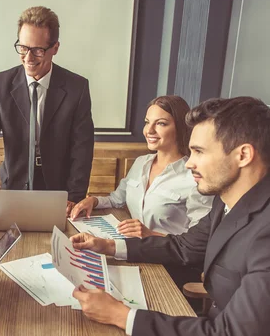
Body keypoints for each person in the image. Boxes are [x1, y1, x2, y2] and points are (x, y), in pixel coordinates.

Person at [70, 97, 270, 336]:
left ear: (243, 155)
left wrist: (122, 315)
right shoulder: (233, 198)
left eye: (199, 151)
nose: (190, 163)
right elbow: (183, 247)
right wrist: (110, 247)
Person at [0, 6, 94, 214]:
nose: (28, 57)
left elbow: (82, 148)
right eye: (23, 47)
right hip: (15, 183)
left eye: (37, 50)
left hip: (59, 188)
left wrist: (74, 196)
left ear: (55, 47)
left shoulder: (77, 88)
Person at [71, 95, 213, 237]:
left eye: (161, 123)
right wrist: (93, 201)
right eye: (147, 122)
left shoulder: (194, 177)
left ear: (181, 127)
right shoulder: (141, 163)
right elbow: (116, 200)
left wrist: (150, 234)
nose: (149, 130)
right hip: (133, 251)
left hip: (167, 256)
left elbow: (198, 240)